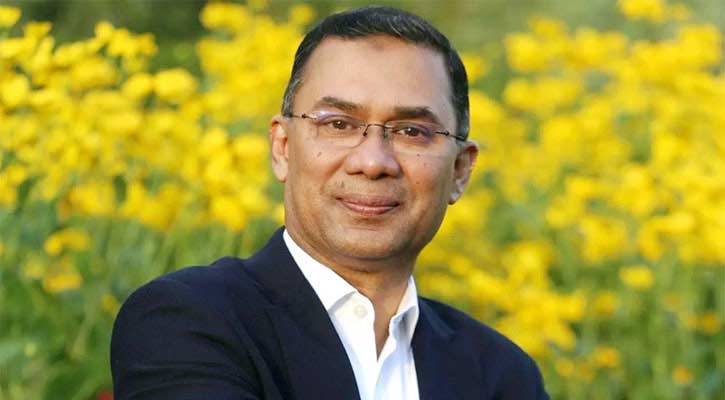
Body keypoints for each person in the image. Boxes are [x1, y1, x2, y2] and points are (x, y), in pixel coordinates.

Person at [111, 6, 549, 400]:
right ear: (283, 148)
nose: (372, 162)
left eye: (412, 132)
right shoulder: (188, 322)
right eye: (339, 124)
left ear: (460, 170)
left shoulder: (501, 375)